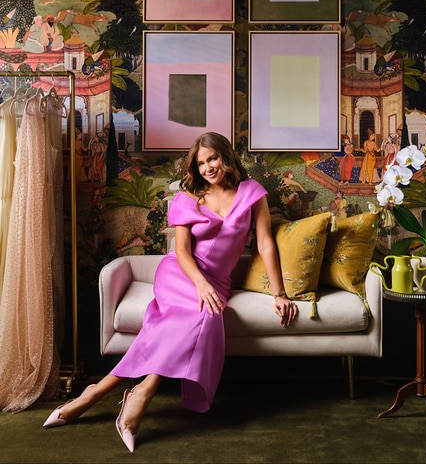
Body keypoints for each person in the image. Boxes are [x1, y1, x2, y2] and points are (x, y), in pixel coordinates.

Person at [43, 132, 298, 451]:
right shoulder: (189, 197)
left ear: (226, 157)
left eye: (213, 159)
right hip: (182, 273)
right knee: (199, 314)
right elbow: (182, 251)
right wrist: (200, 284)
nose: (208, 167)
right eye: (201, 163)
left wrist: (279, 293)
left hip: (216, 280)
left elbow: (264, 243)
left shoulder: (251, 193)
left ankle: (107, 391)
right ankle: (131, 394)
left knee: (204, 318)